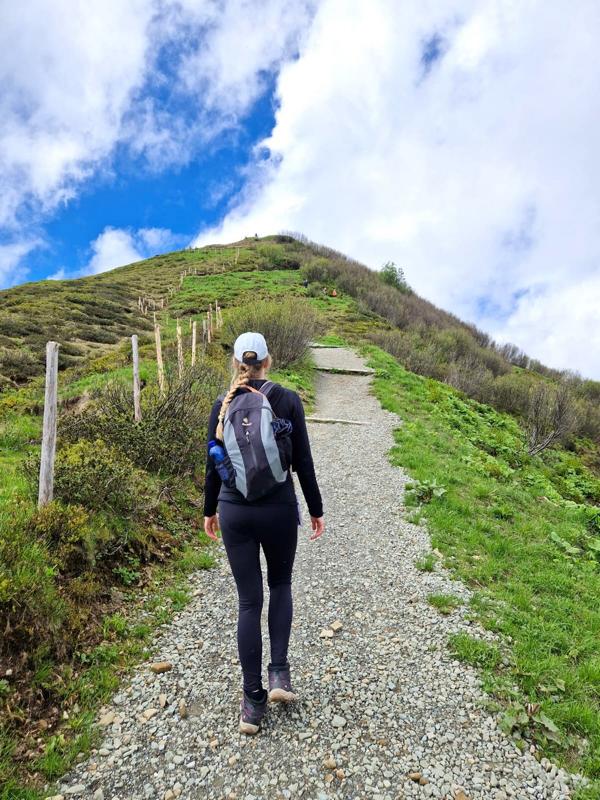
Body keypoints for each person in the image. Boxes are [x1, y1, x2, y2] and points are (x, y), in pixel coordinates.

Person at [204, 332, 325, 734]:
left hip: (234, 510)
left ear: (237, 363)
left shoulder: (221, 405)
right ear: (268, 362)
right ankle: (278, 675)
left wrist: (209, 511)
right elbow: (303, 461)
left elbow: (212, 463)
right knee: (281, 584)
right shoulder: (288, 399)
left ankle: (252, 703)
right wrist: (316, 510)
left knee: (247, 603)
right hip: (277, 507)